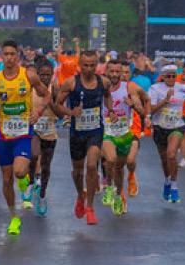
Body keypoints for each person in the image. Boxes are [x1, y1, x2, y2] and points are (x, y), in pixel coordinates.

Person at [0, 40, 50, 235]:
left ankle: (24, 181)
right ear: (1, 57)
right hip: (3, 134)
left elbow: (46, 95)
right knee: (6, 179)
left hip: (23, 133)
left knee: (20, 171)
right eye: (5, 54)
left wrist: (38, 111)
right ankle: (14, 216)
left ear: (18, 56)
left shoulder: (28, 75)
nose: (9, 58)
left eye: (12, 54)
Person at [56, 51, 111, 224]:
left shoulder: (104, 82)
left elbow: (108, 95)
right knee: (78, 171)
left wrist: (112, 111)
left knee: (92, 166)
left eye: (92, 65)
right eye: (85, 65)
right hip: (77, 133)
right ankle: (81, 195)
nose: (89, 68)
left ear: (97, 65)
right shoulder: (71, 83)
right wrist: (71, 112)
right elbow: (57, 104)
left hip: (95, 131)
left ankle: (90, 208)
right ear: (80, 65)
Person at [99, 60, 149, 219]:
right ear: (106, 71)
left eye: (117, 72)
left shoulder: (129, 88)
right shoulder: (100, 85)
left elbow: (143, 107)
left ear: (122, 73)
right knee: (110, 160)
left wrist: (134, 105)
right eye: (111, 71)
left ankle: (119, 195)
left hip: (124, 133)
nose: (114, 75)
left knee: (120, 168)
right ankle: (107, 186)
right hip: (106, 132)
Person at [148, 64, 185, 203]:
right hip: (160, 127)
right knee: (164, 159)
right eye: (168, 76)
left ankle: (174, 186)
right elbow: (151, 110)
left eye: (174, 75)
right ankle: (167, 180)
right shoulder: (155, 89)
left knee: (171, 154)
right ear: (163, 76)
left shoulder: (182, 87)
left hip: (177, 126)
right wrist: (165, 101)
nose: (171, 78)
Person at [29, 60, 62, 217]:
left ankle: (42, 195)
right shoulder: (31, 88)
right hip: (34, 129)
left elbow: (61, 114)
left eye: (48, 75)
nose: (45, 78)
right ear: (37, 74)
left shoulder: (55, 89)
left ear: (52, 75)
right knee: (34, 155)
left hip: (49, 131)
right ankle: (30, 182)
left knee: (46, 166)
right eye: (42, 74)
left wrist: (52, 104)